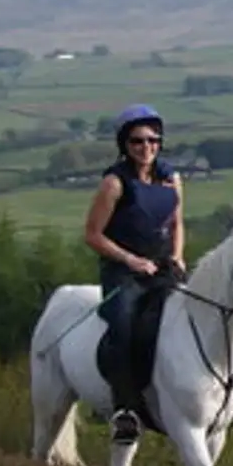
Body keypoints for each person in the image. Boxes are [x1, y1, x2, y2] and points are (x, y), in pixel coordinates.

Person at [83, 103, 186, 445]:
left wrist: (177, 256)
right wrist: (129, 260)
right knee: (124, 322)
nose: (146, 147)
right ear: (124, 145)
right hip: (123, 272)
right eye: (137, 141)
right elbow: (93, 235)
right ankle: (125, 409)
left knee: (204, 312)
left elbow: (176, 223)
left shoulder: (171, 179)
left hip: (161, 266)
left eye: (153, 140)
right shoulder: (114, 184)